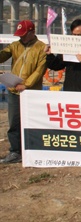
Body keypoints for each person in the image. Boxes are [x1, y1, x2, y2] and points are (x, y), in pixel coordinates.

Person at [0, 20, 47, 164]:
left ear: (32, 32)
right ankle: (15, 151)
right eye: (19, 35)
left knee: (32, 121)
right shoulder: (15, 45)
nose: (21, 38)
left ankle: (34, 149)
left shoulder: (41, 48)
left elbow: (40, 70)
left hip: (31, 91)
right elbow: (3, 56)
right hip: (14, 90)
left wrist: (26, 84)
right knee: (14, 122)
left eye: (24, 35)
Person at [45, 19, 81, 92]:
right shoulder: (68, 47)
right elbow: (56, 66)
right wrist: (50, 55)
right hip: (70, 90)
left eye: (79, 35)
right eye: (74, 34)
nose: (76, 37)